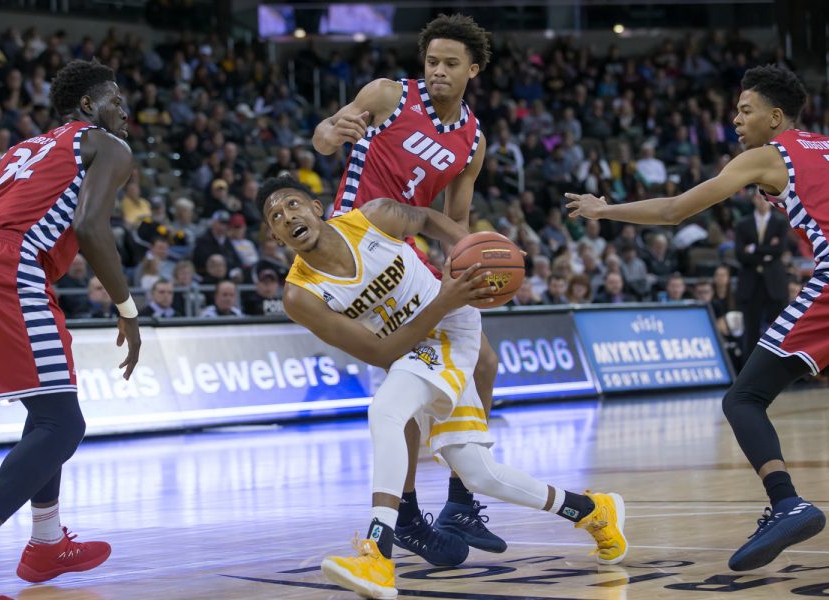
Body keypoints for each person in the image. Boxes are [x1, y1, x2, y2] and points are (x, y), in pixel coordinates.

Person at [260, 177, 626, 600]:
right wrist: (444, 300)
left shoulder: (375, 217)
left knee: (386, 412)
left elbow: (431, 219)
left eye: (292, 204)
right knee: (479, 474)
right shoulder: (299, 295)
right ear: (275, 236)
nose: (287, 216)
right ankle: (594, 511)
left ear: (316, 207)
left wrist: (482, 245)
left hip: (452, 329)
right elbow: (382, 354)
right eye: (276, 216)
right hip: (411, 347)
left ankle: (377, 553)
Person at [566, 64, 826, 571]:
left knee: (743, 398)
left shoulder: (768, 156)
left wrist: (604, 210)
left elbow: (674, 210)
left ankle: (786, 502)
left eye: (745, 111)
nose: (735, 120)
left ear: (775, 118)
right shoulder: (823, 145)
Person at [0, 59, 141, 600]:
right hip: (12, 266)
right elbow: (89, 226)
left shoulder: (22, 151)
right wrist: (127, 307)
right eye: (117, 99)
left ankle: (46, 544)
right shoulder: (106, 145)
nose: (126, 109)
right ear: (89, 106)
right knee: (63, 425)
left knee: (48, 412)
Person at [312, 14, 505, 563]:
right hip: (362, 241)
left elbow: (457, 223)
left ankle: (455, 502)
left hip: (413, 249)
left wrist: (473, 268)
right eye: (432, 62)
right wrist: (334, 131)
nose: (439, 71)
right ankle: (411, 512)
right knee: (409, 377)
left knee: (483, 364)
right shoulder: (389, 94)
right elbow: (326, 136)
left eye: (450, 64)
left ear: (473, 69)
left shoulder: (473, 140)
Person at [735, 191, 789, 358]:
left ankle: (779, 373)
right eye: (759, 196)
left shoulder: (780, 222)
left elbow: (779, 250)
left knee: (779, 331)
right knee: (751, 331)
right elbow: (740, 254)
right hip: (751, 283)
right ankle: (748, 377)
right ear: (753, 199)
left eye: (765, 197)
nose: (762, 200)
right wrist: (767, 252)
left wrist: (754, 248)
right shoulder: (743, 224)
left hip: (774, 282)